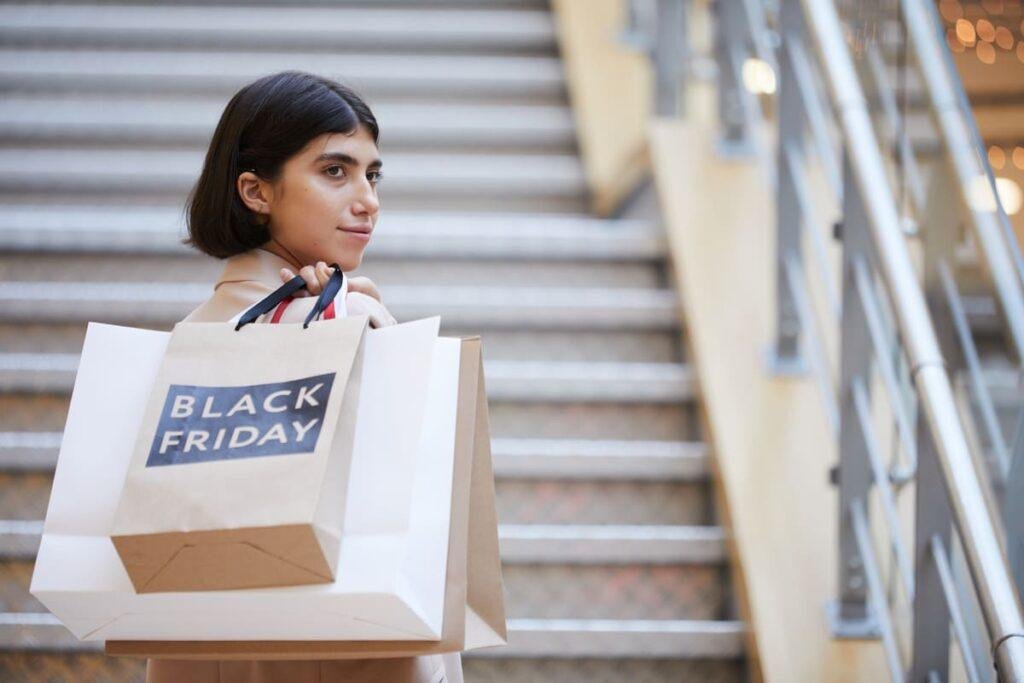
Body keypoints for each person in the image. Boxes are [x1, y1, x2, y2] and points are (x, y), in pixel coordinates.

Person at [145, 70, 461, 683]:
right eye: (335, 171)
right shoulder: (335, 325)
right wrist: (364, 325)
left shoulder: (193, 336)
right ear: (255, 192)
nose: (367, 199)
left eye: (373, 174)